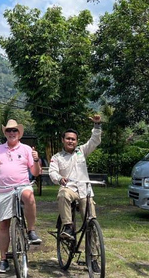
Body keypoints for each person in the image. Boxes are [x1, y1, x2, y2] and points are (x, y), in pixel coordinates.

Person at [0, 119, 42, 274]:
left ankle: (31, 231)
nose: (11, 133)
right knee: (4, 225)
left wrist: (36, 160)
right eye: (9, 131)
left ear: (19, 133)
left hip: (22, 185)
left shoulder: (27, 149)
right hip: (4, 189)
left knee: (29, 196)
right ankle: (3, 260)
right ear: (5, 133)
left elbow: (35, 173)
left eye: (14, 130)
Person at [48, 115, 102, 271]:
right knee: (63, 194)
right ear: (63, 140)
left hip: (85, 191)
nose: (70, 141)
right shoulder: (57, 157)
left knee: (91, 223)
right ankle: (68, 227)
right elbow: (52, 173)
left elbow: (95, 141)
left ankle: (92, 258)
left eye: (73, 139)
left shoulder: (81, 152)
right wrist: (60, 178)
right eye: (68, 139)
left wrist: (97, 125)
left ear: (77, 141)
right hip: (69, 188)